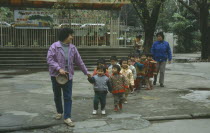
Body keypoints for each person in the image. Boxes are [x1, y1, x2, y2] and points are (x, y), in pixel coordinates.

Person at [47, 28, 91, 127]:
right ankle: (59, 112)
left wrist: (86, 72)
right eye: (71, 34)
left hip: (68, 76)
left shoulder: (73, 48)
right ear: (65, 35)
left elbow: (79, 61)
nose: (72, 36)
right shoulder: (54, 46)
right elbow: (49, 60)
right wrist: (59, 69)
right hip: (56, 76)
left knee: (68, 97)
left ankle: (67, 117)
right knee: (57, 95)